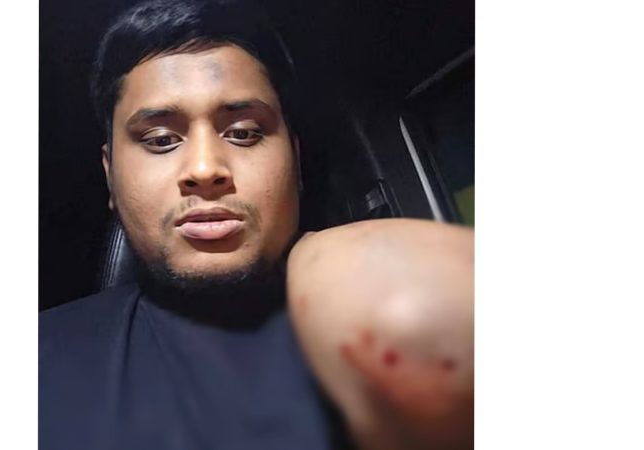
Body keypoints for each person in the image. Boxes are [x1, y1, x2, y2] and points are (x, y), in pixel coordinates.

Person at [39, 1, 474, 449]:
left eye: (244, 132)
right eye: (161, 139)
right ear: (110, 175)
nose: (205, 168)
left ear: (295, 160)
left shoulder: (367, 298)